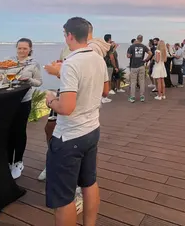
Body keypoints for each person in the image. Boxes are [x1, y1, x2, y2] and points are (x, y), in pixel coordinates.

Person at [45, 17, 108, 226]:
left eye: (65, 35)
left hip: (69, 136)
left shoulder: (71, 63)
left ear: (69, 35)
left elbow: (66, 108)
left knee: (63, 197)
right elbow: (104, 90)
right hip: (92, 130)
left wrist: (51, 99)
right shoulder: (98, 58)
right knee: (89, 183)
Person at [0, 38, 43, 179]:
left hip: (24, 101)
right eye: (19, 48)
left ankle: (18, 162)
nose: (22, 51)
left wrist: (29, 80)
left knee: (19, 132)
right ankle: (7, 161)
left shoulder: (34, 64)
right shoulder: (9, 61)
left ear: (30, 49)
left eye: (25, 48)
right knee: (8, 131)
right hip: (8, 100)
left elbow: (38, 82)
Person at [126, 35, 152, 103]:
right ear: (142, 39)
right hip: (141, 65)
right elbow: (150, 53)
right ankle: (142, 96)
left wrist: (132, 55)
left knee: (133, 82)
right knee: (142, 81)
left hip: (133, 66)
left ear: (137, 39)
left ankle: (132, 97)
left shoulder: (131, 46)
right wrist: (146, 60)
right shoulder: (143, 46)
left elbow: (128, 56)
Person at [104, 34, 118, 99]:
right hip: (109, 64)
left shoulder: (104, 46)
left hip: (104, 64)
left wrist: (114, 48)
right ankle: (109, 90)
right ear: (109, 39)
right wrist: (115, 66)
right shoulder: (109, 46)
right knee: (108, 78)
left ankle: (107, 90)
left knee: (106, 78)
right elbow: (112, 57)